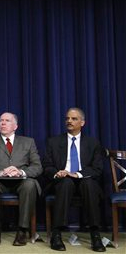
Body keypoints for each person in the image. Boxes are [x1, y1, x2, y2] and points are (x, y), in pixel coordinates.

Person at [43, 108, 106, 252]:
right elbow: (46, 166)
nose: (69, 121)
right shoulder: (53, 142)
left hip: (84, 180)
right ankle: (56, 234)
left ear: (82, 122)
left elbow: (97, 169)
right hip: (62, 181)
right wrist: (57, 173)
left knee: (89, 183)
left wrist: (77, 174)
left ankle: (95, 234)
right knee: (65, 183)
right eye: (67, 119)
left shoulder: (92, 143)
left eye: (74, 119)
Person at [0, 112, 42, 246]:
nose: (3, 123)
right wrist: (1, 171)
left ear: (15, 126)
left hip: (21, 181)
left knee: (30, 185)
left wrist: (21, 172)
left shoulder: (28, 142)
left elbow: (37, 167)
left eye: (7, 120)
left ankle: (23, 230)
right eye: (1, 120)